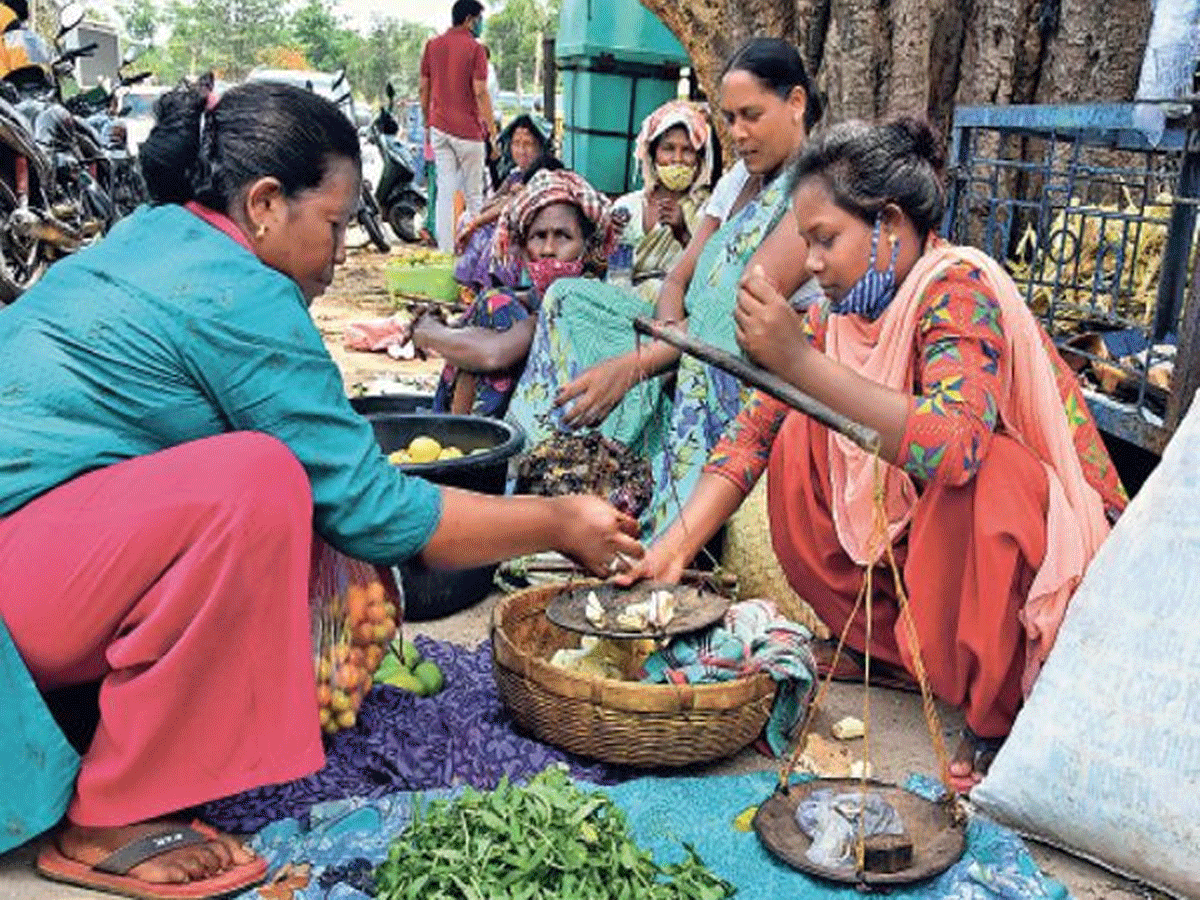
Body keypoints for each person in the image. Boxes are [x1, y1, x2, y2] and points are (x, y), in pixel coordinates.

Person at [0, 79, 642, 899]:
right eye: (335, 226)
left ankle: (104, 734)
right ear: (266, 204)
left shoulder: (154, 237)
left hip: (38, 555)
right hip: (20, 583)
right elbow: (374, 509)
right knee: (258, 481)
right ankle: (109, 815)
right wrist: (557, 520)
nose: (341, 257)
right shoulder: (241, 290)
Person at [623, 117, 1127, 792]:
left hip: (1036, 556)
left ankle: (999, 710)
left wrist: (799, 361)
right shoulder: (838, 318)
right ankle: (894, 654)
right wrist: (675, 548)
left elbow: (955, 449)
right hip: (933, 552)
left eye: (825, 240)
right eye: (806, 244)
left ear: (889, 222)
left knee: (990, 476)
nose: (812, 264)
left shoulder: (958, 288)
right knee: (799, 437)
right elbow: (751, 435)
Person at [505, 38, 823, 537]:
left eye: (751, 116)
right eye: (730, 118)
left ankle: (664, 527)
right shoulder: (738, 178)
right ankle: (546, 472)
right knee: (568, 298)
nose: (737, 133)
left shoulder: (814, 189)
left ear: (797, 103)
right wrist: (667, 336)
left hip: (748, 355)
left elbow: (738, 309)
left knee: (708, 344)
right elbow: (679, 276)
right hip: (684, 335)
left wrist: (640, 364)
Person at [415, 167, 615, 417]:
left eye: (563, 237)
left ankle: (461, 430)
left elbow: (494, 354)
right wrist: (444, 325)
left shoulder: (581, 298)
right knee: (488, 304)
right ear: (523, 249)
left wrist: (426, 332)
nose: (548, 250)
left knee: (495, 306)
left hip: (563, 419)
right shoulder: (531, 297)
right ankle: (457, 428)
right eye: (539, 237)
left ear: (586, 247)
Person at [610, 98, 716, 300]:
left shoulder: (708, 210)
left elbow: (712, 277)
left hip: (674, 311)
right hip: (623, 305)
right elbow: (605, 270)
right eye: (668, 148)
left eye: (687, 150)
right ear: (652, 154)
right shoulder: (627, 207)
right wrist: (607, 241)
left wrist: (683, 233)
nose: (677, 159)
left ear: (699, 159)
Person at [419, 0, 498, 253]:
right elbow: (480, 92)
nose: (480, 24)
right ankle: (476, 253)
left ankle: (445, 253)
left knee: (445, 192)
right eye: (478, 19)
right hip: (469, 132)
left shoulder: (432, 46)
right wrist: (493, 133)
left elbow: (424, 89)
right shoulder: (475, 49)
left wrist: (427, 123)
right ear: (469, 19)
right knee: (475, 196)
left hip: (440, 128)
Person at [453, 113, 553, 293]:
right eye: (516, 143)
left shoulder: (543, 173)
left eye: (528, 144)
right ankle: (470, 286)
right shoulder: (514, 175)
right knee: (467, 218)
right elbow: (494, 201)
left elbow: (509, 205)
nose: (521, 150)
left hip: (530, 232)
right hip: (508, 218)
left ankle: (488, 288)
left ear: (540, 147)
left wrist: (476, 223)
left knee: (490, 234)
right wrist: (477, 216)